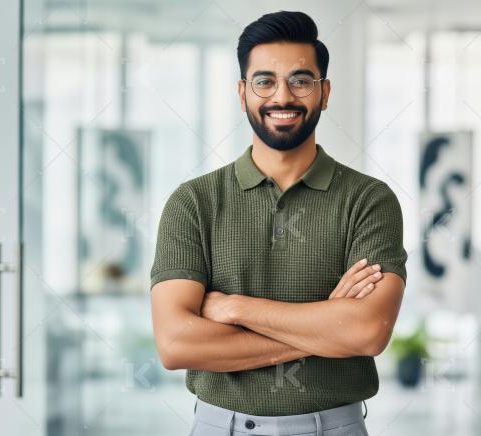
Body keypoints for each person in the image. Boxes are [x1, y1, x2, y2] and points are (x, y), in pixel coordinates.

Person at [150, 10, 407, 436]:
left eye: (301, 80)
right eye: (264, 81)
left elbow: (366, 333)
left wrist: (235, 308)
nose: (282, 97)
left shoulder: (369, 200)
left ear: (324, 92)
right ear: (242, 92)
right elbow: (176, 344)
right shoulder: (193, 202)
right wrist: (326, 325)